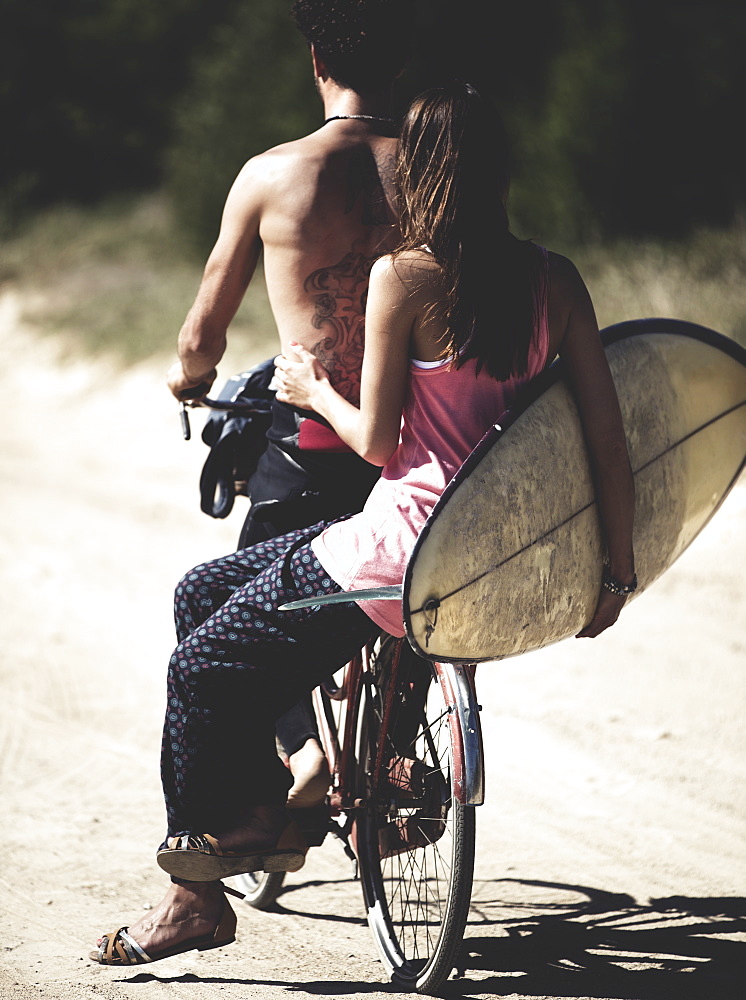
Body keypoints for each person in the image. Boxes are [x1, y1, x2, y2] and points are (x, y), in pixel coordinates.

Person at [91, 82, 636, 967]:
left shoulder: (407, 277)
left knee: (198, 664)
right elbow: (609, 440)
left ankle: (208, 878)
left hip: (393, 554)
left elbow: (379, 444)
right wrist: (616, 573)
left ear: (420, 171)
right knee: (203, 589)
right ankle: (275, 801)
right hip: (493, 550)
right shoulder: (555, 280)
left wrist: (311, 392)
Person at [166, 0, 416, 808]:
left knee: (246, 599)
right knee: (413, 593)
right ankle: (397, 755)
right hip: (425, 445)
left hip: (317, 443)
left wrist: (189, 381)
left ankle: (302, 756)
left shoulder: (271, 175)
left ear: (317, 61)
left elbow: (205, 330)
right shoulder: (443, 169)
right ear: (400, 63)